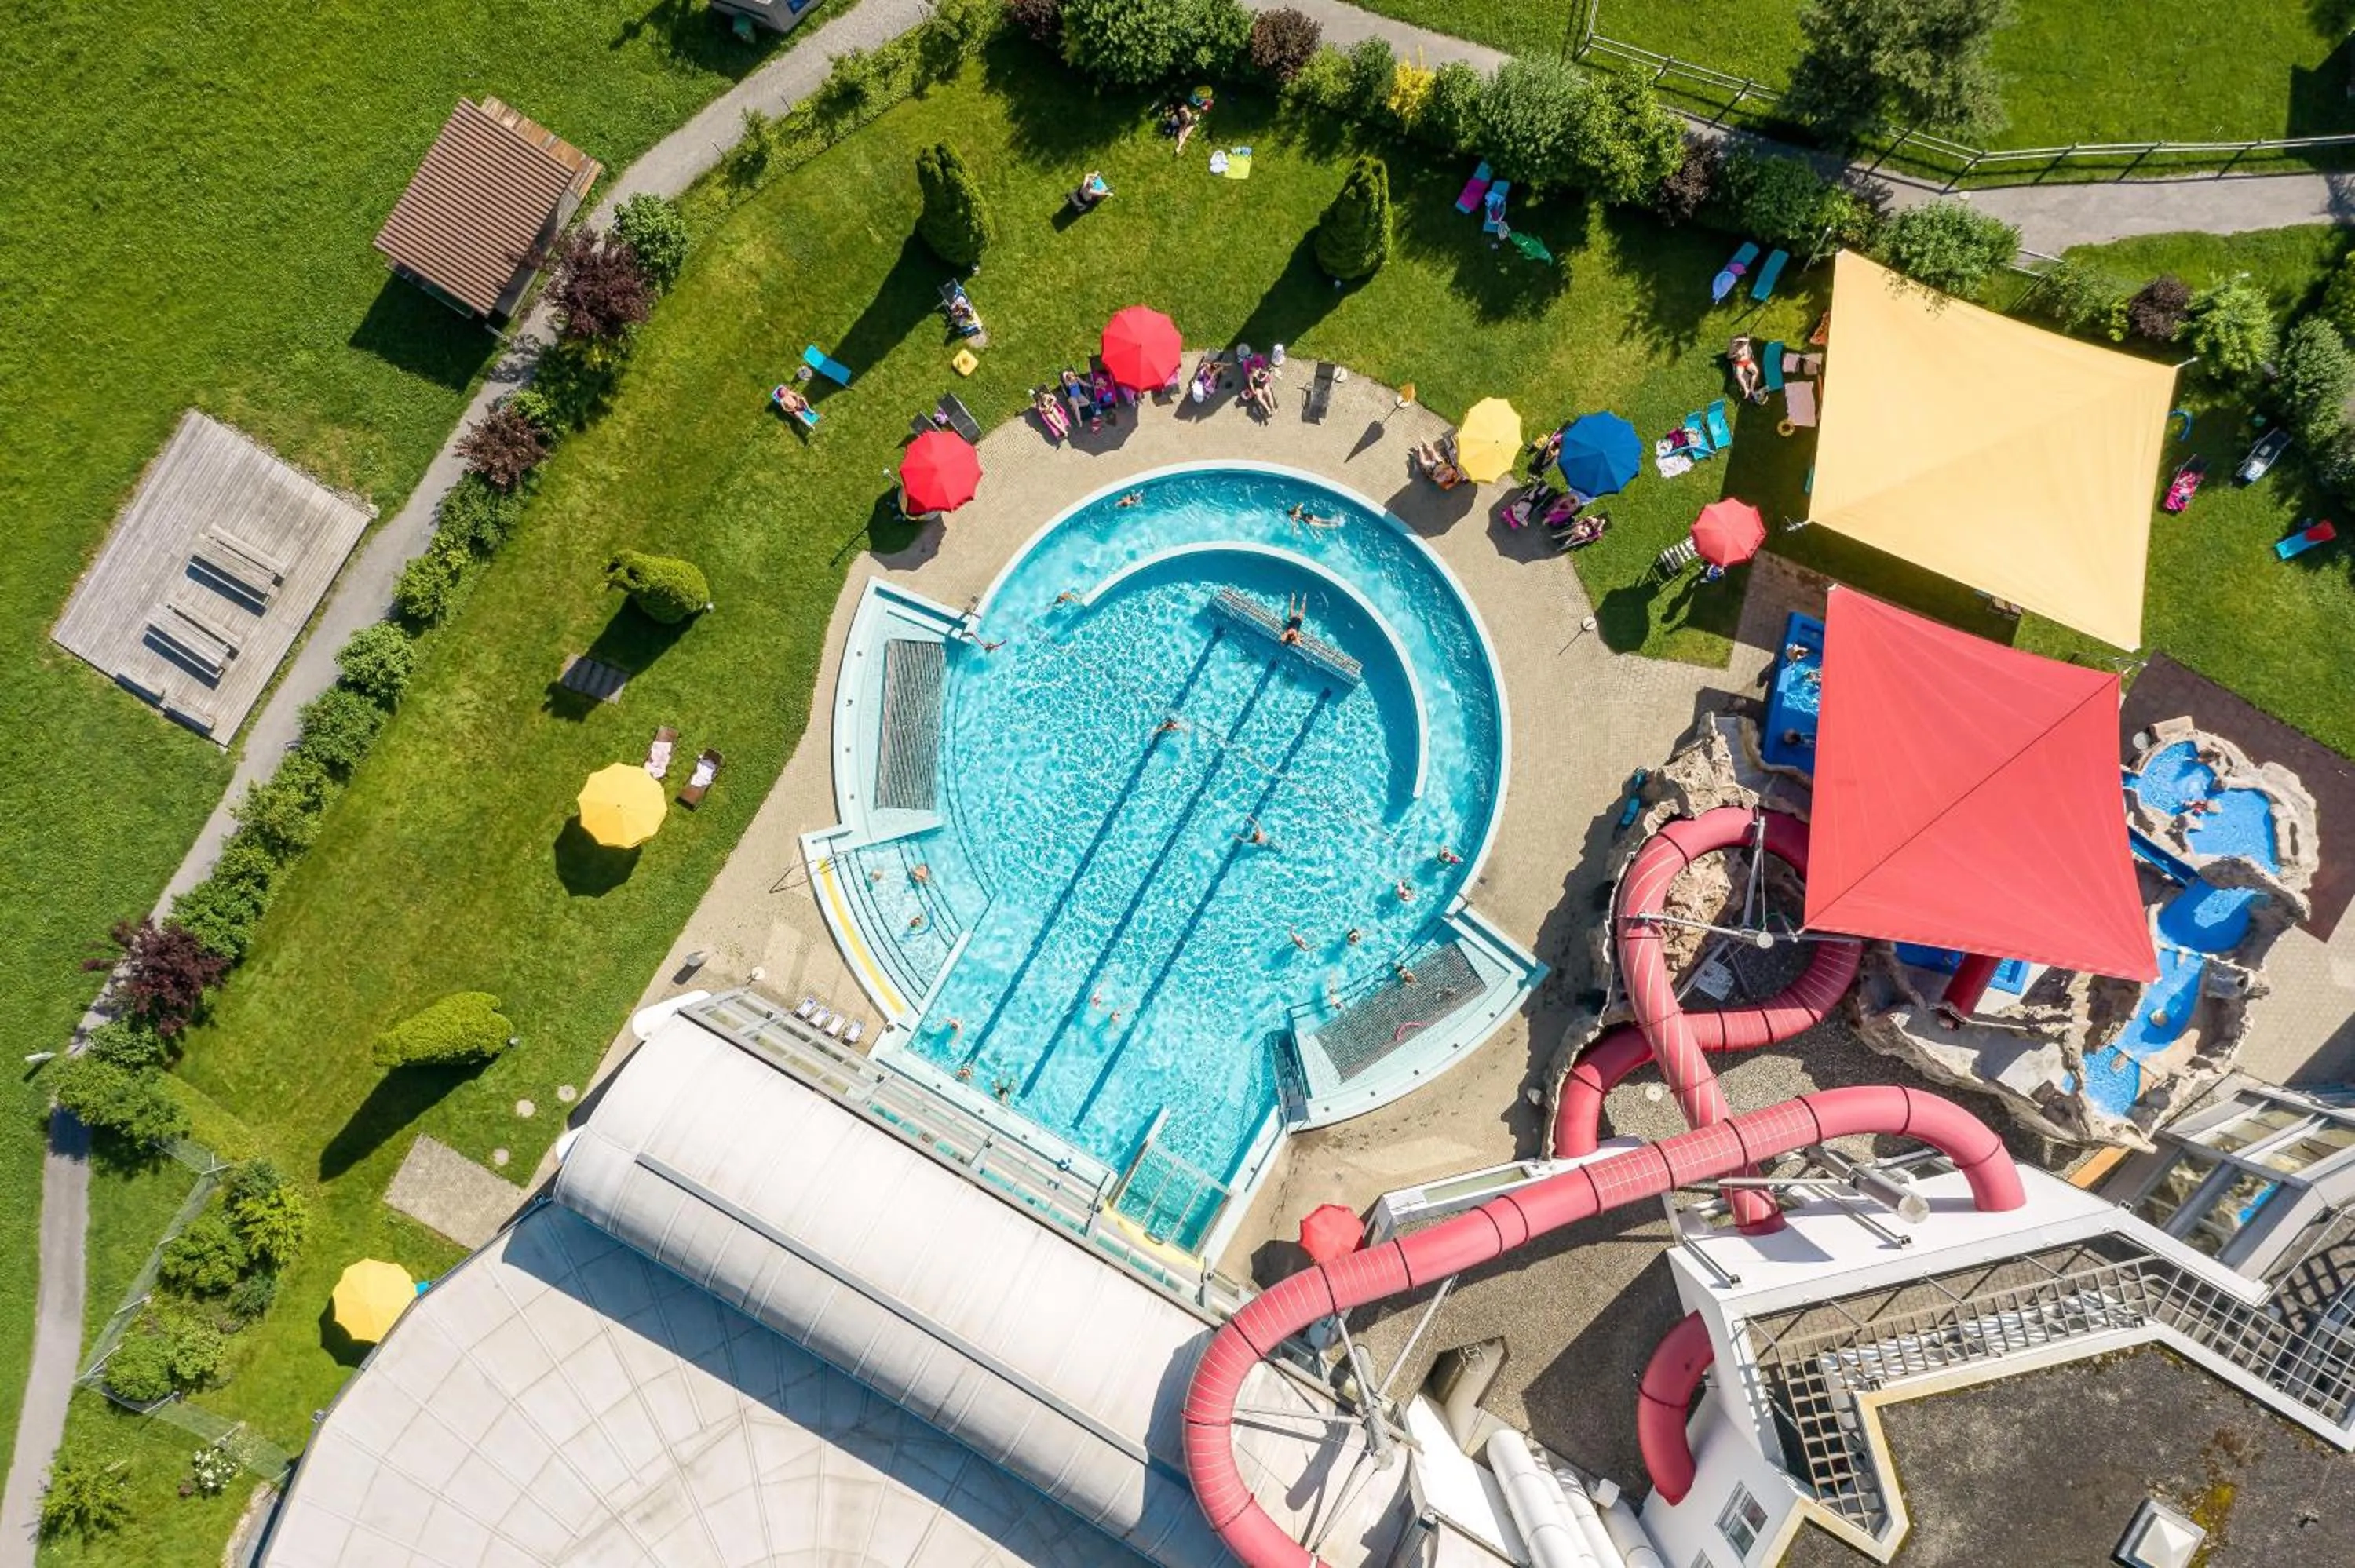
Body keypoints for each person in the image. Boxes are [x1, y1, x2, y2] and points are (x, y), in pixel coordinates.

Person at [1728, 335, 1765, 403]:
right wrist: (1737, 355)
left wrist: (1741, 339)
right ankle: (1746, 390)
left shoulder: (1745, 343)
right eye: (1739, 342)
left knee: (1756, 372)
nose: (1740, 343)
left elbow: (1747, 339)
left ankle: (1751, 388)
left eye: (1741, 341)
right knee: (1739, 376)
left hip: (1748, 362)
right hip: (1740, 363)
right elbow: (1729, 356)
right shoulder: (1734, 347)